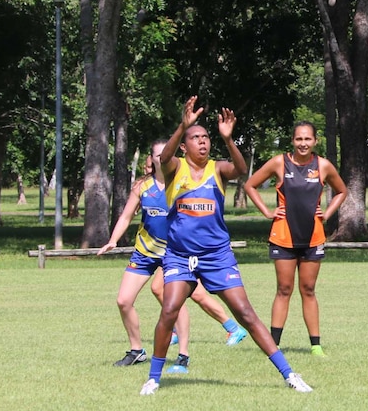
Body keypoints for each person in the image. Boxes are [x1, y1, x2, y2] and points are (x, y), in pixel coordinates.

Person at [140, 96, 312, 395]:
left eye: (206, 138)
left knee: (245, 313)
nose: (203, 143)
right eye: (197, 138)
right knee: (168, 312)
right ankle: (154, 377)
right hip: (180, 256)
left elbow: (242, 170)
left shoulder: (218, 168)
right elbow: (163, 158)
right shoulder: (175, 168)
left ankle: (289, 374)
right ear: (185, 145)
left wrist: (229, 139)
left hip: (216, 255)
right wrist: (184, 125)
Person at [99, 142, 248, 372]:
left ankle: (184, 355)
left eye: (164, 154)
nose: (162, 158)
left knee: (173, 296)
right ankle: (137, 350)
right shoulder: (142, 187)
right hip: (146, 252)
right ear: (151, 159)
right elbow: (126, 216)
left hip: (174, 253)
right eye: (157, 155)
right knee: (123, 300)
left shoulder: (183, 182)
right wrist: (113, 240)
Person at [243, 121, 347, 357]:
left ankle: (316, 345)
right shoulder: (280, 162)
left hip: (313, 237)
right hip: (283, 237)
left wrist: (327, 214)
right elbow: (250, 185)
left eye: (307, 139)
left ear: (315, 141)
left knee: (308, 289)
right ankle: (273, 345)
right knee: (284, 288)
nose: (303, 143)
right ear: (292, 140)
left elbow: (342, 191)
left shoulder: (323, 165)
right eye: (299, 139)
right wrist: (268, 212)